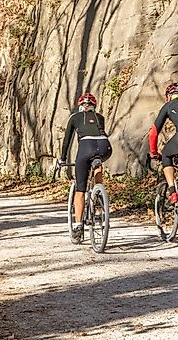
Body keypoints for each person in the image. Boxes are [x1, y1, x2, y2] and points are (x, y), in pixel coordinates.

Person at [60, 92, 112, 243]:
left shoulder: (75, 118)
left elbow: (67, 142)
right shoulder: (100, 117)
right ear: (94, 106)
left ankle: (77, 226)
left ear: (80, 106)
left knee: (80, 188)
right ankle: (99, 195)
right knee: (97, 162)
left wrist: (63, 159)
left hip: (86, 147)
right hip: (105, 147)